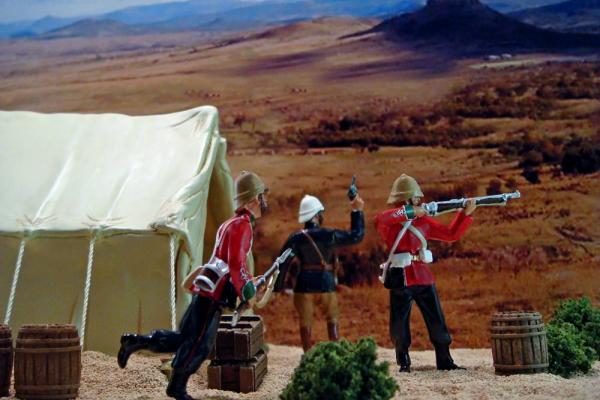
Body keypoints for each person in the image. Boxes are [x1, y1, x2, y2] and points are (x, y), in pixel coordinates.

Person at [117, 171, 268, 400]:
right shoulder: (242, 227)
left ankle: (136, 342)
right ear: (253, 199)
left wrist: (251, 282)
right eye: (262, 196)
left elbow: (230, 265)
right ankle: (177, 387)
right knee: (200, 344)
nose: (264, 202)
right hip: (215, 294)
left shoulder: (230, 224)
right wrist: (247, 292)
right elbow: (236, 265)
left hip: (210, 288)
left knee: (185, 338)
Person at [374, 174, 476, 373]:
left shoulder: (424, 222)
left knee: (436, 318)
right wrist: (412, 211)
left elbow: (450, 235)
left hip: (422, 275)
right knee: (399, 323)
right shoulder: (392, 222)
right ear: (406, 200)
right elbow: (382, 218)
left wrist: (465, 214)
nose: (419, 200)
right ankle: (403, 361)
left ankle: (445, 359)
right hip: (400, 277)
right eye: (414, 198)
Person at [274, 193, 365, 352]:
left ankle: (308, 355)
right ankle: (336, 351)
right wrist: (357, 211)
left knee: (305, 322)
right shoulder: (329, 235)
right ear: (316, 215)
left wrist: (278, 287)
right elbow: (356, 236)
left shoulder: (296, 238)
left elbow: (282, 263)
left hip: (304, 286)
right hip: (326, 283)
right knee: (332, 318)